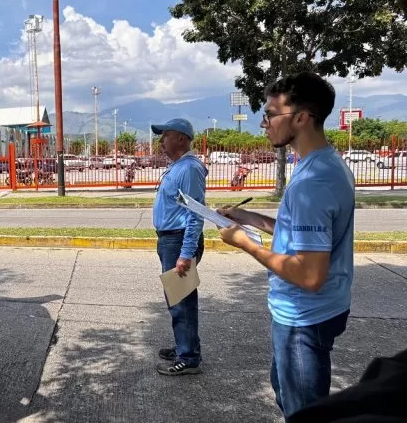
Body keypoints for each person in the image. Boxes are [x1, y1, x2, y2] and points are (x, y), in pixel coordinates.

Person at [217, 72, 355, 418]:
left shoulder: (313, 181)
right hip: (319, 309)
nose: (264, 124)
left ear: (301, 118)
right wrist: (250, 219)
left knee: (302, 410)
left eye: (270, 114)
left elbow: (309, 275)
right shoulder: (324, 164)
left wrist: (245, 244)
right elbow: (303, 237)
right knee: (289, 395)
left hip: (304, 316)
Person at [150, 118, 207, 376]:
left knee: (181, 301)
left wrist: (185, 253)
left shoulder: (189, 169)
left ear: (181, 139)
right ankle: (186, 345)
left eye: (166, 136)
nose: (161, 141)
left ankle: (189, 357)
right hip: (170, 239)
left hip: (178, 240)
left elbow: (195, 214)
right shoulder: (178, 167)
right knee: (179, 298)